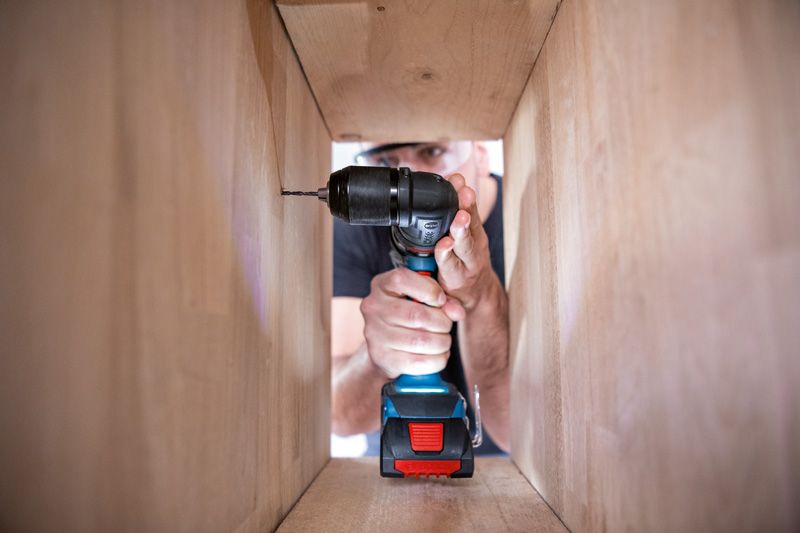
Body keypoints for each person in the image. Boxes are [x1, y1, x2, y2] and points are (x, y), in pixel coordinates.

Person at [331, 141, 509, 455]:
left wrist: (479, 296)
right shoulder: (356, 231)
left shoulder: (532, 218)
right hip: (393, 464)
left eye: (433, 152)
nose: (412, 176)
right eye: (386, 159)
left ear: (480, 155)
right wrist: (377, 362)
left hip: (507, 470)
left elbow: (521, 434)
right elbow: (339, 416)